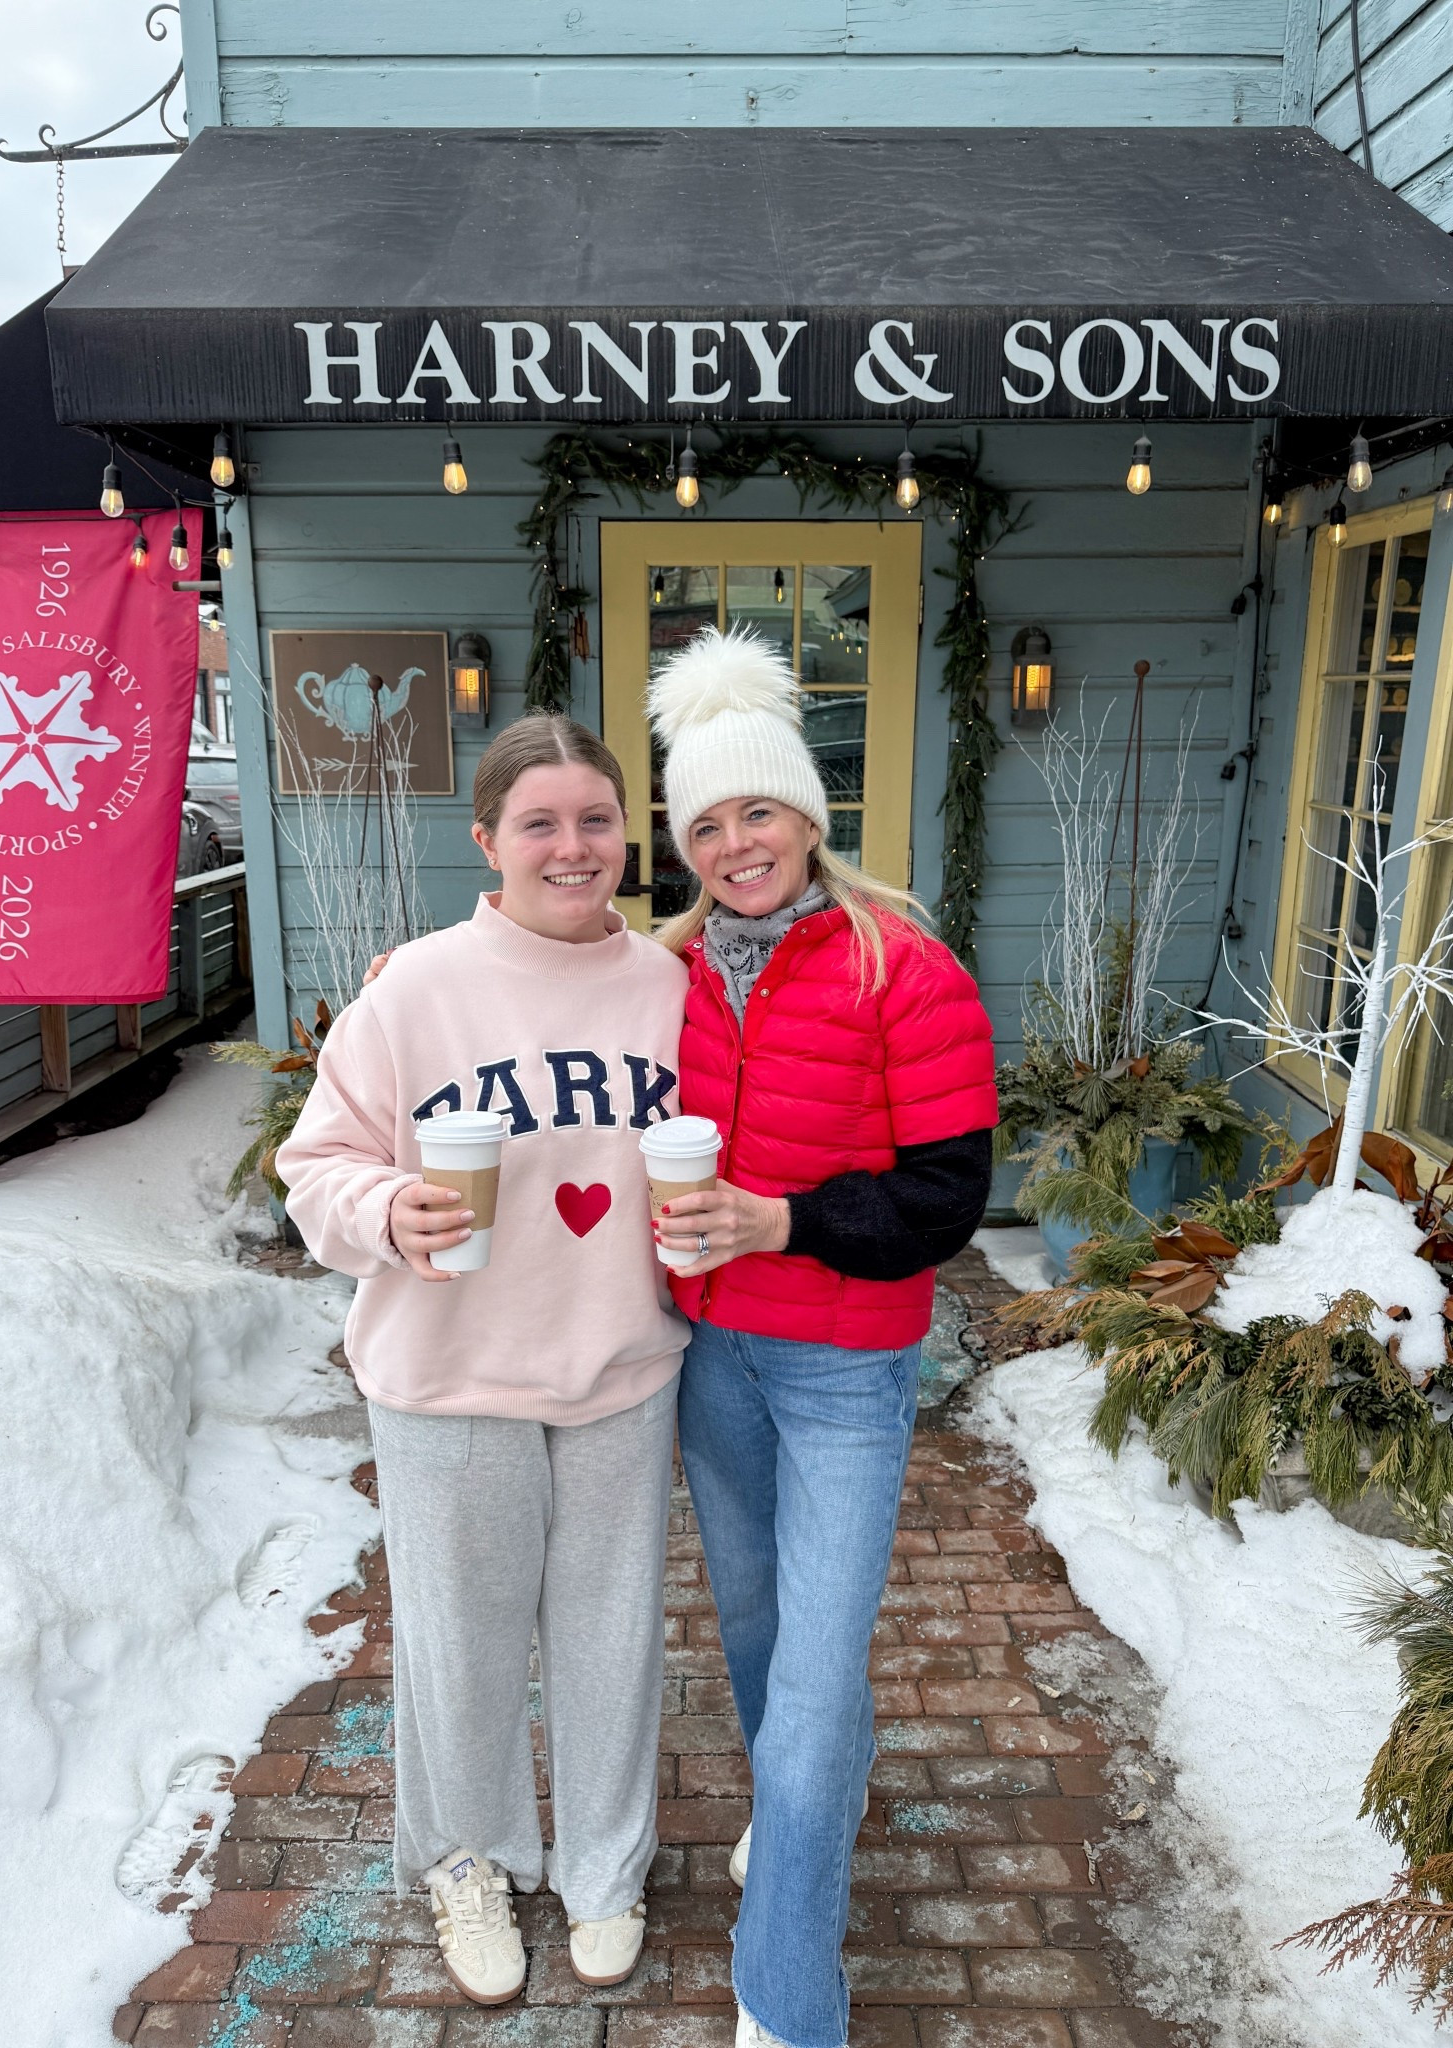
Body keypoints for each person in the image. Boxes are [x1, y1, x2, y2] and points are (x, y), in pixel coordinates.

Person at [275, 714, 688, 2007]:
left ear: (631, 834)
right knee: (461, 1645)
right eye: (540, 824)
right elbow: (314, 1165)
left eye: (596, 821)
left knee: (614, 1636)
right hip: (452, 1378)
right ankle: (467, 1861)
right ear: (489, 842)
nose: (574, 848)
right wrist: (387, 1213)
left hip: (624, 1365)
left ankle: (606, 1866)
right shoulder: (421, 987)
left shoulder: (677, 987)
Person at [646, 626, 997, 2048]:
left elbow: (945, 1199)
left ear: (809, 815)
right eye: (708, 822)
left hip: (846, 1365)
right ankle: (812, 1820)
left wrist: (779, 1224)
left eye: (760, 811)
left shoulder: (901, 971)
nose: (738, 844)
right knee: (757, 1634)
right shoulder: (656, 972)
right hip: (710, 1364)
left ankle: (785, 1995)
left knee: (811, 1684)